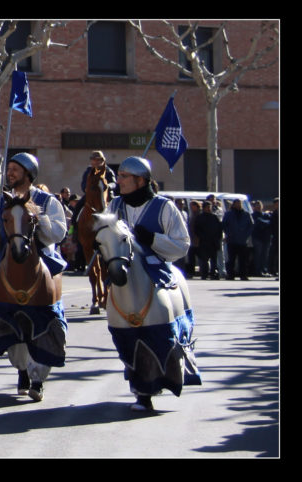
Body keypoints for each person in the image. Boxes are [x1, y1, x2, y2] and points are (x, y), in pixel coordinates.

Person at [105, 156, 195, 411]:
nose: (119, 180)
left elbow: (182, 245)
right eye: (119, 176)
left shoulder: (164, 207)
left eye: (124, 176)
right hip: (123, 271)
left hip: (156, 268)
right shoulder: (114, 205)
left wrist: (153, 239)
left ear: (140, 180)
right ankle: (141, 389)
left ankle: (170, 365)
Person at [0, 153, 68, 402]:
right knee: (6, 317)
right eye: (9, 169)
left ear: (28, 172)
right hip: (7, 262)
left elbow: (59, 233)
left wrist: (38, 219)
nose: (10, 173)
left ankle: (38, 376)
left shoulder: (48, 201)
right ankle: (22, 369)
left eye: (15, 169)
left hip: (41, 261)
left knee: (46, 316)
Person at [222, 199, 253, 281]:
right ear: (233, 204)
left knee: (243, 259)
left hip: (242, 240)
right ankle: (230, 275)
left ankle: (243, 275)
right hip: (232, 240)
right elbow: (224, 225)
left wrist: (246, 235)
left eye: (239, 203)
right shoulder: (228, 214)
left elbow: (251, 225)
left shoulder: (246, 214)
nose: (238, 205)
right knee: (231, 259)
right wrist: (229, 233)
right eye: (236, 203)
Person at [194, 201, 222, 280]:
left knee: (214, 259)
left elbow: (219, 228)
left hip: (213, 242)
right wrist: (202, 237)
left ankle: (213, 273)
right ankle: (204, 274)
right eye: (207, 207)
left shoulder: (214, 217)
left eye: (210, 207)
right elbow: (196, 229)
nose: (209, 209)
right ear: (204, 208)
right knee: (204, 259)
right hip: (204, 242)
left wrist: (218, 238)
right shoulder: (200, 217)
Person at [250, 200, 272, 277]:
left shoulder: (266, 215)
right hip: (257, 238)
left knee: (265, 255)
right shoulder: (252, 215)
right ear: (254, 207)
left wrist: (263, 222)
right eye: (257, 205)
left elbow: (270, 223)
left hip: (266, 238)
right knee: (258, 255)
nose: (258, 207)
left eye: (260, 205)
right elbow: (256, 223)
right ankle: (258, 271)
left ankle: (264, 270)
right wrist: (265, 223)